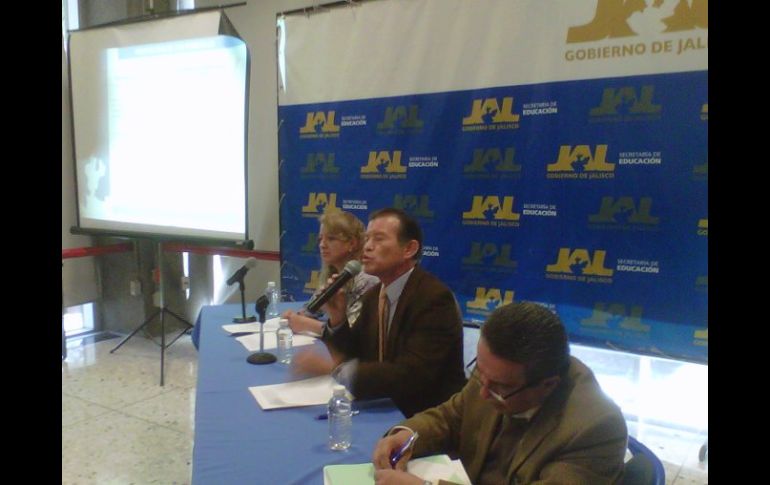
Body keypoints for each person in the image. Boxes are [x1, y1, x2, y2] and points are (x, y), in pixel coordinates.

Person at [372, 302, 628, 485]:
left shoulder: (595, 429)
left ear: (548, 385)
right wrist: (407, 435)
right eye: (479, 371)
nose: (483, 393)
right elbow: (449, 417)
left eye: (499, 388)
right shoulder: (494, 375)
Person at [291, 208, 466, 417]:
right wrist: (337, 318)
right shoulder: (375, 295)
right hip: (382, 404)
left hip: (425, 415)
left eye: (379, 239)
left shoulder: (433, 299)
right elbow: (355, 352)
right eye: (367, 238)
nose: (367, 246)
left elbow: (412, 374)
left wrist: (336, 371)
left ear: (409, 249)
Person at [281, 210, 378, 335]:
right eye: (320, 239)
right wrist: (293, 317)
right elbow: (310, 310)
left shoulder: (367, 279)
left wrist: (306, 324)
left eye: (331, 239)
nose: (322, 245)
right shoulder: (334, 275)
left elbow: (352, 332)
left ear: (352, 243)